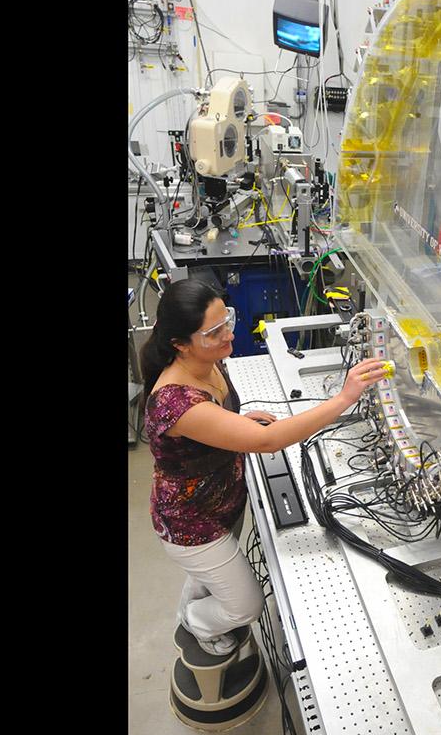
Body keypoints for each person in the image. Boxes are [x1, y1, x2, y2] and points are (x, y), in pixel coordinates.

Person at [139, 280, 389, 655]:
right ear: (179, 343)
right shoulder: (176, 403)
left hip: (222, 499)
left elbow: (218, 417)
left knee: (209, 577)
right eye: (214, 332)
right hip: (190, 523)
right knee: (246, 605)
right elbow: (267, 442)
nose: (229, 336)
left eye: (228, 321)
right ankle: (195, 624)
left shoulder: (205, 358)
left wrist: (235, 419)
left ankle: (197, 600)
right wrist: (344, 397)